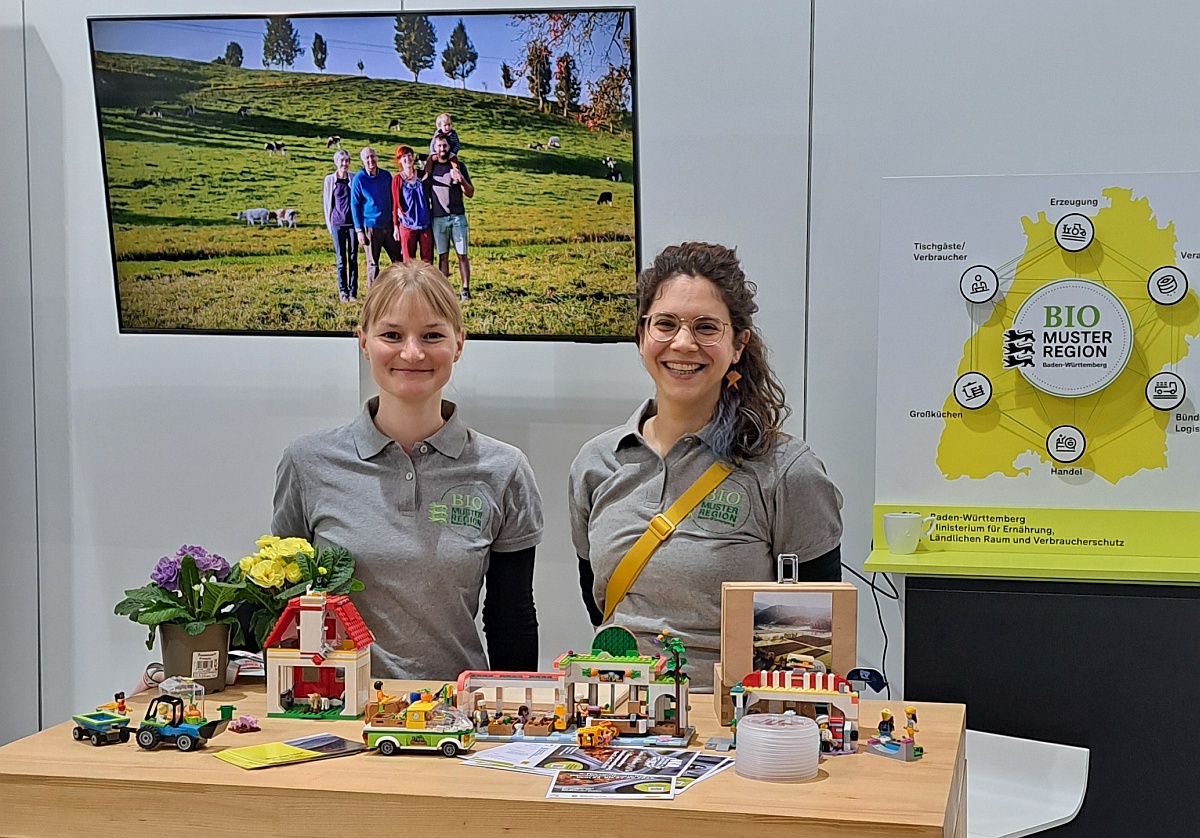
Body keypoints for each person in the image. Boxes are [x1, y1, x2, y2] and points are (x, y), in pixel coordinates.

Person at [568, 242, 844, 692]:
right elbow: (600, 603)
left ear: (738, 346)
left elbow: (811, 646)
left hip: (737, 726)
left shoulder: (787, 472)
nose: (682, 343)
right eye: (665, 324)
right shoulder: (597, 463)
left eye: (706, 327)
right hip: (617, 716)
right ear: (641, 337)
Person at [272, 261, 542, 680]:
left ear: (458, 343)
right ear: (363, 342)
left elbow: (511, 618)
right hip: (333, 713)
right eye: (392, 335)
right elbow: (278, 604)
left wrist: (515, 723)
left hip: (457, 718)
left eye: (432, 335)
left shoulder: (504, 470)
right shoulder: (307, 463)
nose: (412, 352)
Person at [423, 132, 474, 301]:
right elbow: (423, 191)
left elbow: (470, 193)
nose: (442, 148)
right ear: (434, 148)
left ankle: (465, 289)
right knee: (442, 256)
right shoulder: (430, 168)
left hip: (457, 217)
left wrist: (460, 180)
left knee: (462, 255)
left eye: (445, 145)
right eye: (439, 146)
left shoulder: (458, 166)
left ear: (449, 147)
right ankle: (444, 291)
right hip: (438, 218)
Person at [351, 147, 402, 287]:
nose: (370, 160)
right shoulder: (359, 179)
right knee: (373, 263)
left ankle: (399, 289)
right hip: (370, 227)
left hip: (389, 224)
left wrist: (396, 222)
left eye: (372, 156)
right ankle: (373, 295)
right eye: (367, 158)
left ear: (376, 157)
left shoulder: (386, 176)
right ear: (362, 160)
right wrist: (359, 230)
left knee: (398, 259)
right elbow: (354, 205)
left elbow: (393, 198)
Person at [323, 149, 359, 302]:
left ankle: (353, 292)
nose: (345, 164)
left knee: (353, 258)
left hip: (352, 224)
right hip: (337, 223)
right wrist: (329, 225)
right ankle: (342, 291)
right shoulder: (330, 180)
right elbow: (327, 203)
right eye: (342, 161)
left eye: (347, 161)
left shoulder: (353, 178)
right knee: (341, 259)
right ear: (336, 163)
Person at [391, 145, 433, 264]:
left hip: (424, 223)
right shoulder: (397, 180)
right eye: (404, 157)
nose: (407, 159)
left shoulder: (421, 175)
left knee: (427, 261)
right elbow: (395, 203)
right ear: (399, 160)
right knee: (408, 261)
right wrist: (395, 226)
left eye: (409, 156)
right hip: (407, 224)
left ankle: (426, 283)